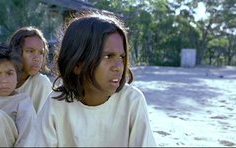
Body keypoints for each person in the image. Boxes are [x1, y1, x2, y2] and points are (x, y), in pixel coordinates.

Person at [34, 11, 157, 147]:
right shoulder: (56, 104)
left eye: (121, 57)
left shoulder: (132, 101)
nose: (118, 67)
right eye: (108, 56)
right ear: (77, 64)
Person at [8, 26, 52, 113]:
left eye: (41, 53)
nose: (37, 58)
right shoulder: (1, 79)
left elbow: (42, 123)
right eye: (30, 51)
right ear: (16, 52)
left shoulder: (41, 83)